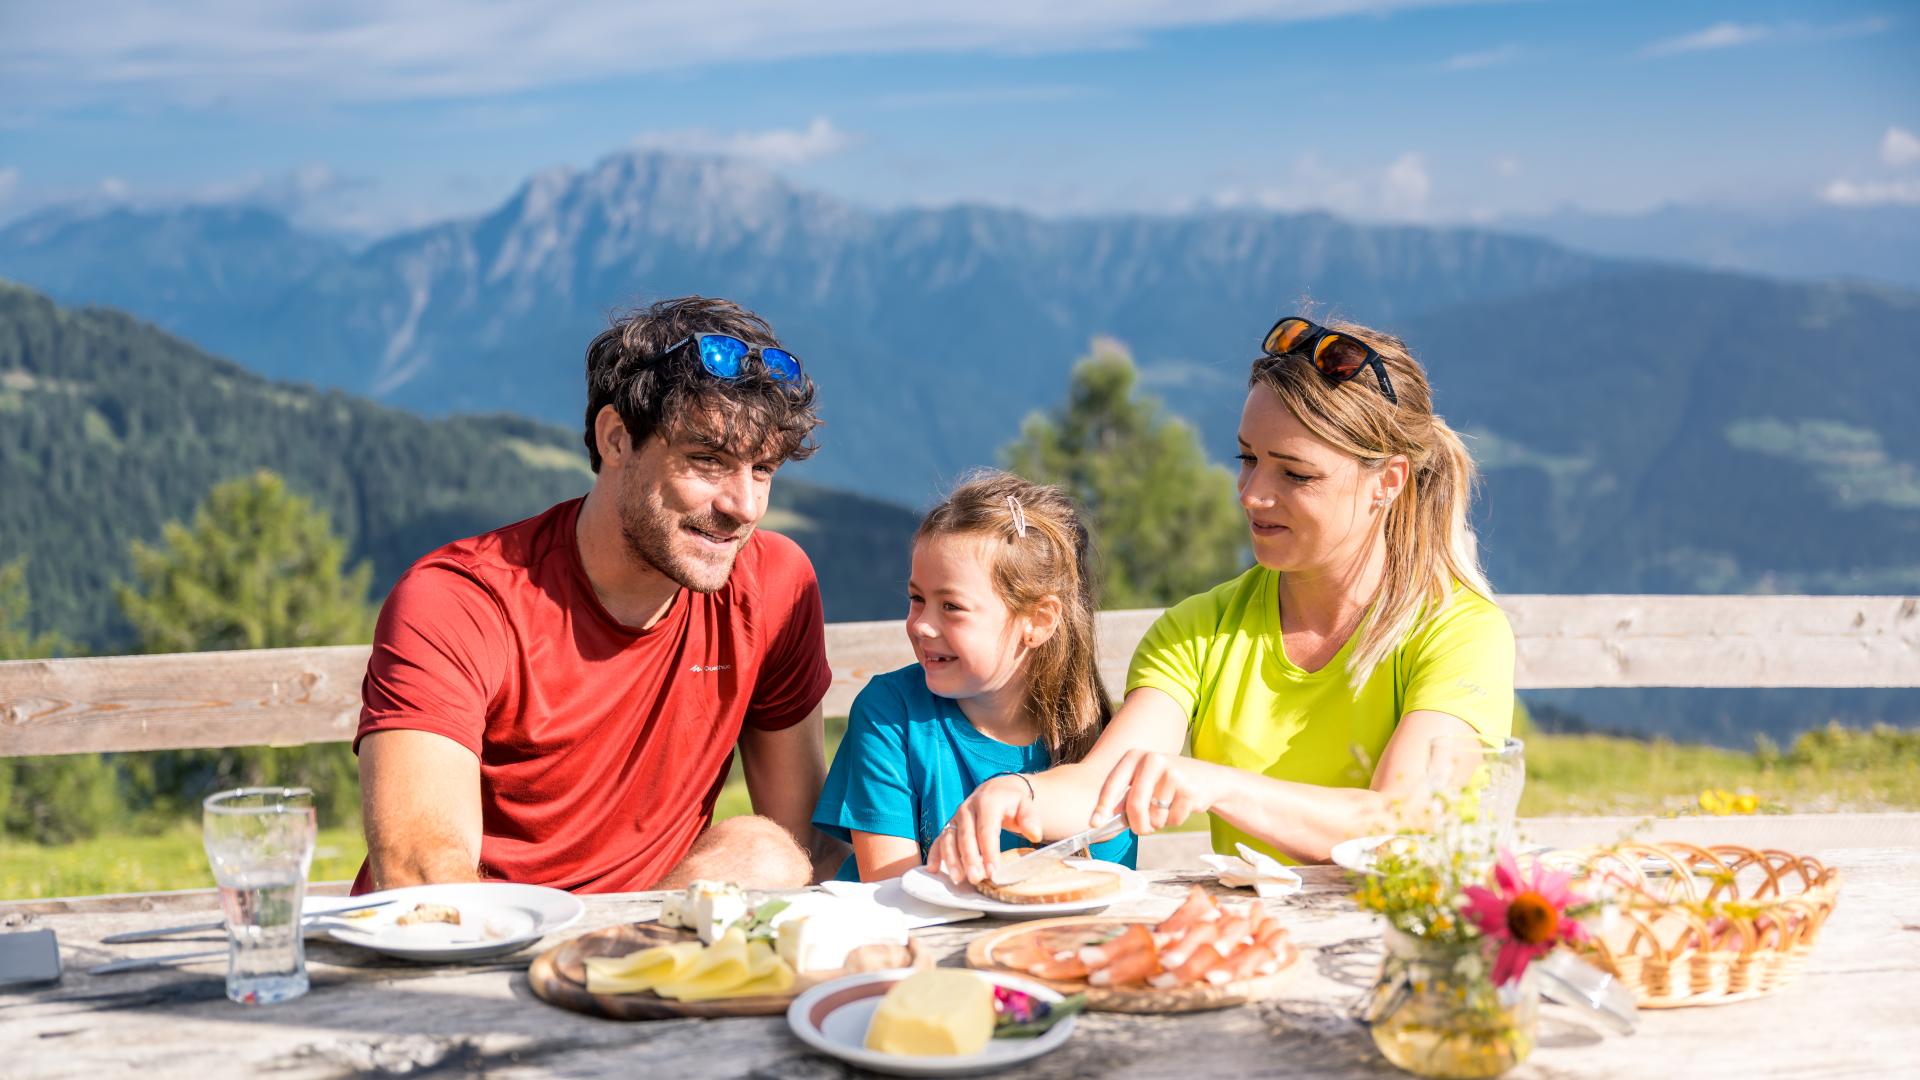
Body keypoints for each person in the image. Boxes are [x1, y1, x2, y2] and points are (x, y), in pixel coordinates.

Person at [929, 315, 1515, 884]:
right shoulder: (1197, 631)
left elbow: (1401, 823)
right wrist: (1018, 794)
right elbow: (1099, 789)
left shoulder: (1462, 633)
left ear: (1387, 482)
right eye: (1248, 458)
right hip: (1250, 949)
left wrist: (1218, 784)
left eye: (1296, 475)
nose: (1253, 493)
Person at [353, 296, 848, 894]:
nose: (743, 506)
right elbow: (420, 877)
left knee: (763, 852)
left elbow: (803, 841)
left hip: (643, 953)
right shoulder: (459, 601)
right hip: (477, 951)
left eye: (763, 469)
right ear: (615, 439)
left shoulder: (774, 585)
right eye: (707, 460)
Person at [813, 470, 1136, 880]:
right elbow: (891, 888)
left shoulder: (1096, 740)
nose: (921, 625)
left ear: (1037, 619)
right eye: (917, 599)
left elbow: (1103, 891)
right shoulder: (890, 715)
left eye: (951, 606)